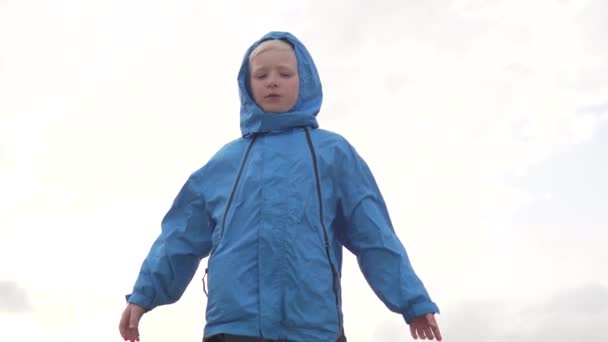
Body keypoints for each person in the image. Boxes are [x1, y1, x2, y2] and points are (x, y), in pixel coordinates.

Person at [119, 31, 442, 342]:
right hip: (233, 327)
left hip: (313, 326)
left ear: (305, 80)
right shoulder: (223, 163)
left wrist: (412, 301)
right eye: (261, 75)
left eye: (285, 73)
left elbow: (373, 234)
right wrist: (144, 294)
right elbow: (180, 236)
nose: (272, 81)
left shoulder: (333, 154)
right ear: (247, 84)